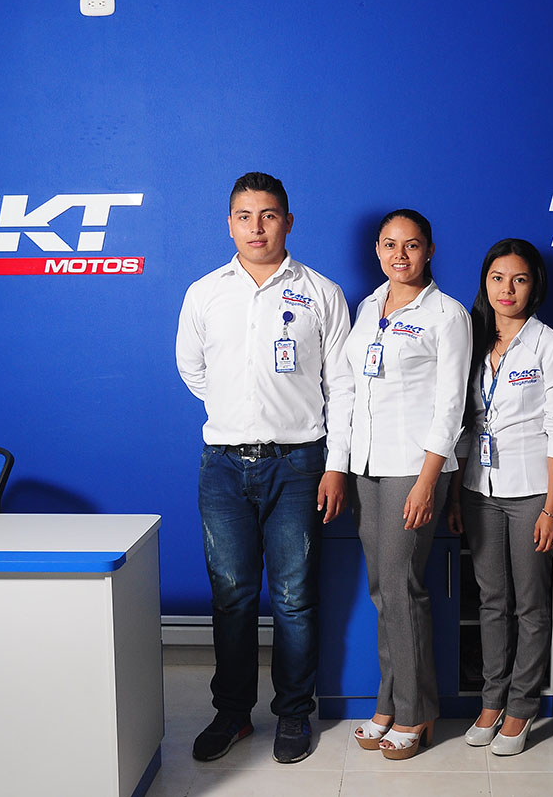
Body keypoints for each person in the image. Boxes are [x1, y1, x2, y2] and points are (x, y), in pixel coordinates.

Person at [175, 172, 353, 765]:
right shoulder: (204, 293)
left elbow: (342, 386)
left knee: (295, 598)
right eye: (245, 216)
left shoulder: (321, 292)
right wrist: (240, 413)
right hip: (223, 467)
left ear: (288, 222)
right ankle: (232, 714)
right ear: (229, 224)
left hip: (299, 465)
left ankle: (294, 712)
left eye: (269, 215)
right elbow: (192, 369)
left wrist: (335, 466)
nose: (257, 227)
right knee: (232, 596)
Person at [345, 209, 471, 760]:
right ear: (378, 250)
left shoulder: (447, 314)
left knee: (402, 587)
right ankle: (389, 702)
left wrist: (427, 480)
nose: (400, 255)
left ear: (430, 250)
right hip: (367, 466)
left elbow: (451, 404)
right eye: (390, 245)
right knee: (383, 590)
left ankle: (417, 713)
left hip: (413, 467)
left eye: (412, 245)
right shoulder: (368, 306)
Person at [446, 238, 553, 756]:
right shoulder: (472, 340)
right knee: (492, 600)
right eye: (497, 278)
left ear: (534, 285)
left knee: (531, 603)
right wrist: (455, 495)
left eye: (519, 279)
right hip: (478, 490)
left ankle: (521, 707)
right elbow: (463, 425)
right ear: (485, 283)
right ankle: (491, 700)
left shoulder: (551, 345)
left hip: (531, 493)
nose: (507, 289)